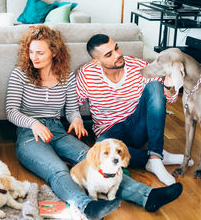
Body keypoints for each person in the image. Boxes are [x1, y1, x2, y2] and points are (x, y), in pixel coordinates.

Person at [6, 25, 183, 220]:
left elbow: (72, 109)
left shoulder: (65, 76)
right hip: (28, 134)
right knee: (57, 169)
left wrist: (77, 120)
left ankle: (147, 196)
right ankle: (87, 207)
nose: (34, 57)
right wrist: (33, 124)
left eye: (40, 52)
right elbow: (11, 111)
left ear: (54, 52)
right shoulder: (20, 74)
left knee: (95, 160)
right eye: (31, 52)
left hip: (57, 129)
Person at [76, 34, 192, 186]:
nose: (118, 54)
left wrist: (169, 87)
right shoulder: (86, 74)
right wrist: (75, 119)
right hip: (110, 132)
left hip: (137, 125)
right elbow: (74, 103)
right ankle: (156, 156)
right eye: (109, 54)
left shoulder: (138, 66)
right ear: (97, 62)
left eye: (116, 47)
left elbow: (167, 98)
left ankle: (155, 158)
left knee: (155, 86)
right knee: (101, 147)